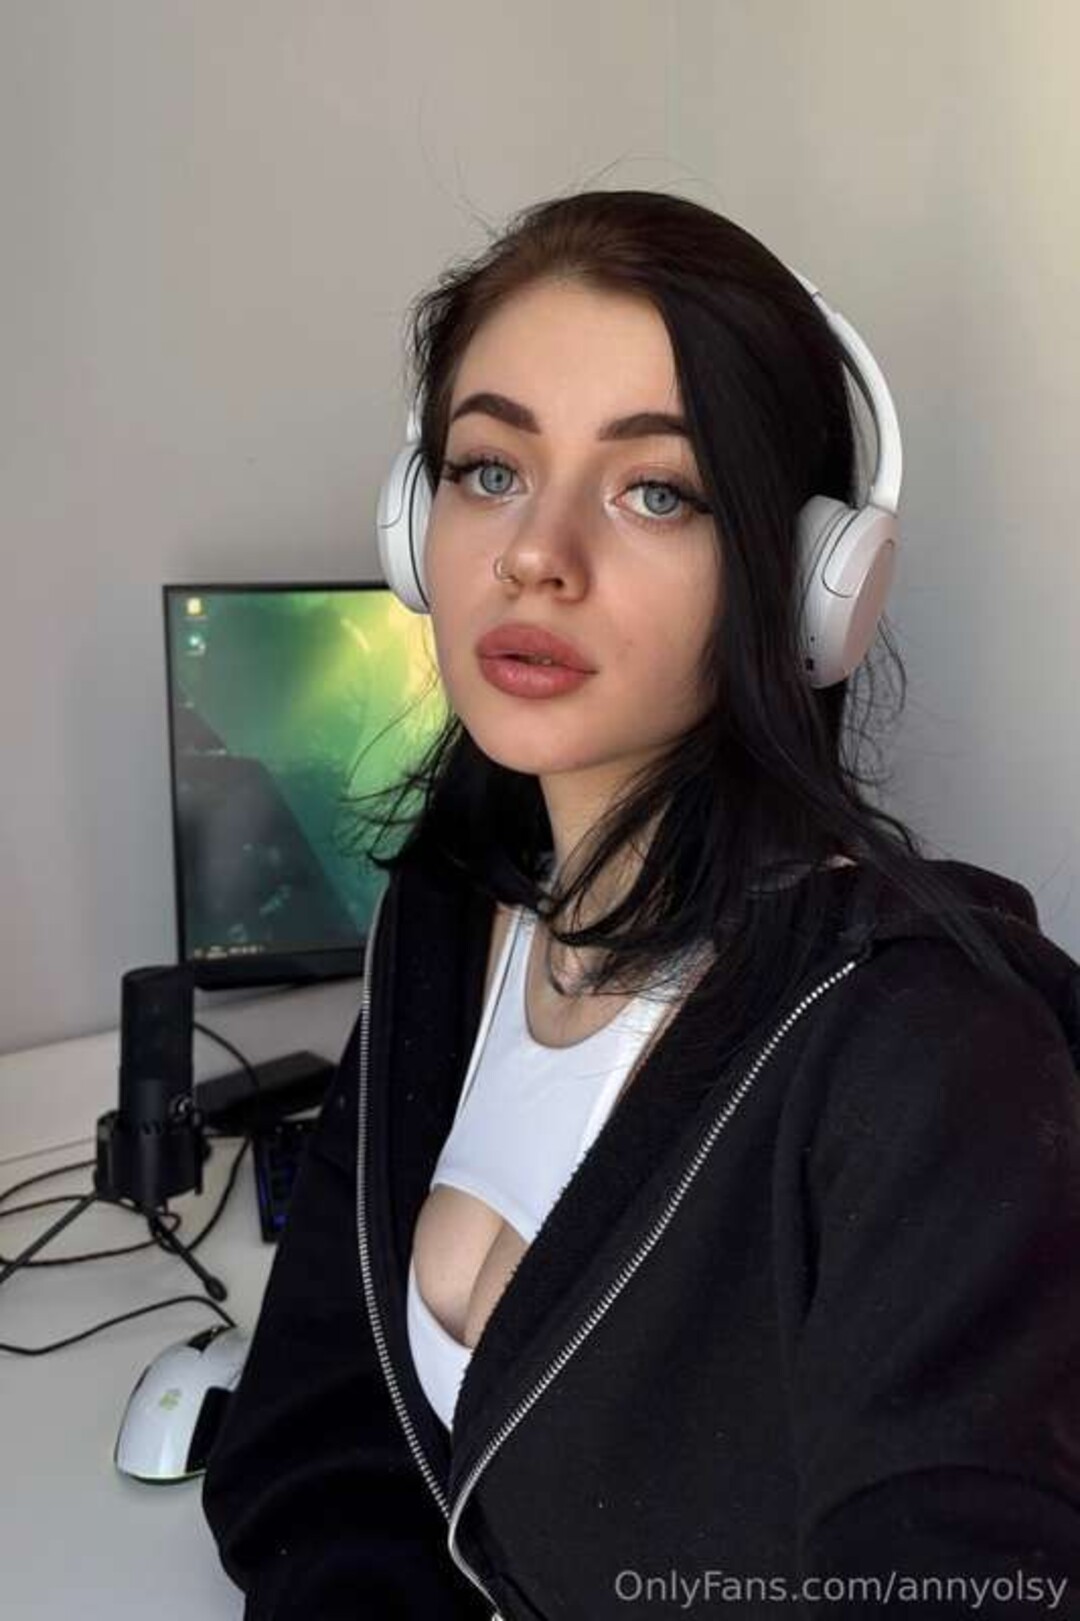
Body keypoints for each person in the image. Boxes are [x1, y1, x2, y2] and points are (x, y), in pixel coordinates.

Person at [202, 191, 1080, 1619]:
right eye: (491, 469)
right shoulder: (441, 933)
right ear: (416, 523)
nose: (535, 553)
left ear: (807, 583)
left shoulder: (928, 1054)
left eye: (656, 490)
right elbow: (321, 1435)